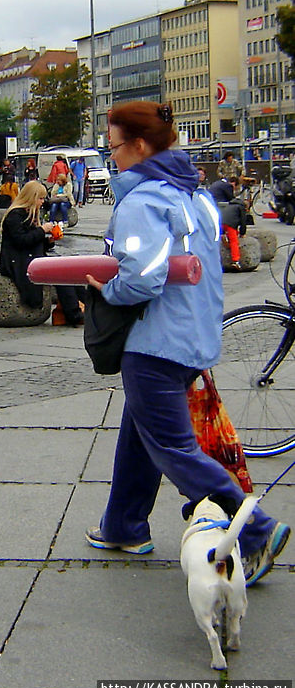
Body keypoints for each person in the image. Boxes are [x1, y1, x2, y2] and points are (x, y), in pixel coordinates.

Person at [84, 101, 290, 586]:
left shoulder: (142, 202)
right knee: (141, 435)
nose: (110, 156)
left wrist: (105, 290)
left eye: (113, 146)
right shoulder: (195, 197)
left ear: (138, 145)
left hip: (153, 343)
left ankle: (256, 527)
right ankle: (124, 526)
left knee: (174, 448)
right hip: (192, 336)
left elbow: (141, 278)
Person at [0, 181, 84, 325]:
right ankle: (73, 313)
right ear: (31, 198)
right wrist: (42, 230)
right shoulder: (15, 216)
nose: (42, 202)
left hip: (29, 258)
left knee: (68, 270)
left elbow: (32, 243)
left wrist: (48, 241)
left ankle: (86, 304)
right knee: (59, 274)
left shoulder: (29, 214)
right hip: (17, 262)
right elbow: (21, 242)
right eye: (41, 199)